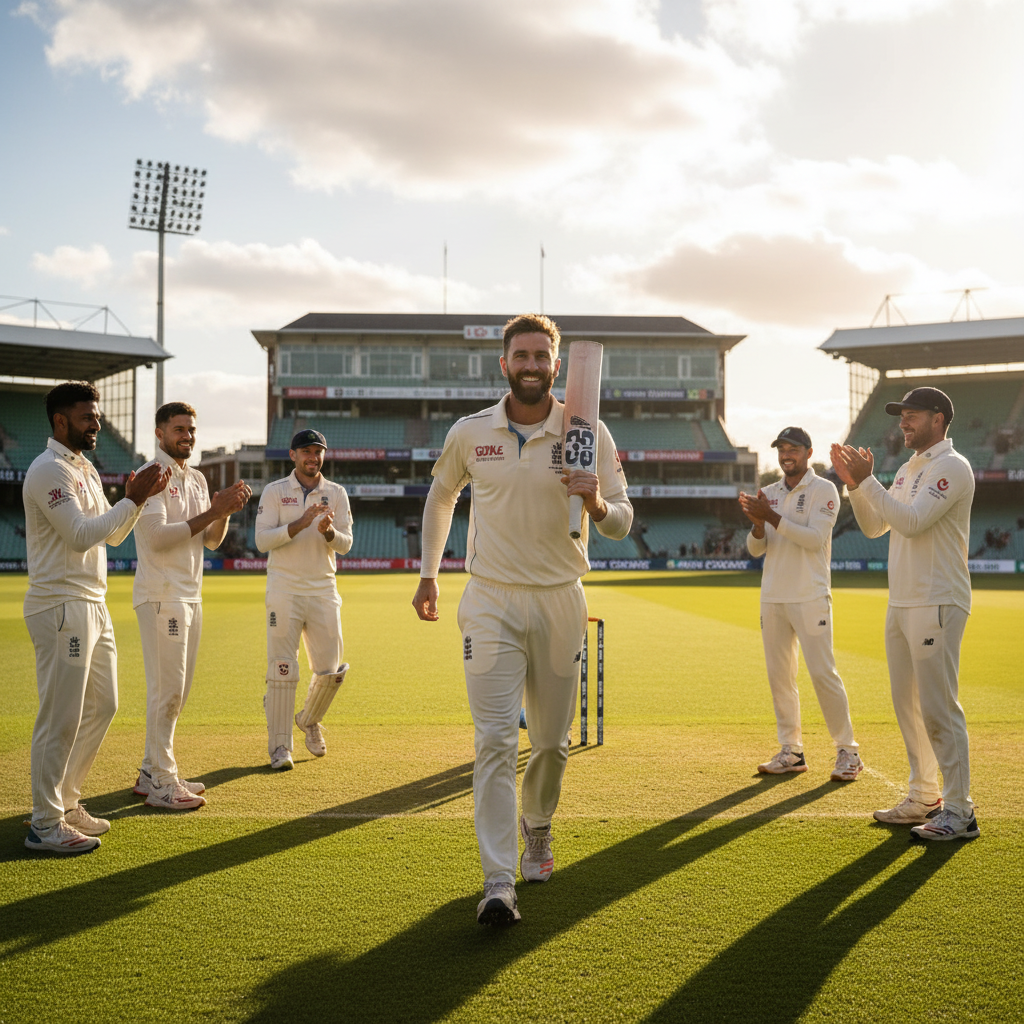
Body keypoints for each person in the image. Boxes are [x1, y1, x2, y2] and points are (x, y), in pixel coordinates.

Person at [411, 313, 633, 927]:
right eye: (522, 356)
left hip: (562, 596)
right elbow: (441, 496)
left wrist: (593, 500)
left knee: (553, 744)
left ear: (557, 366)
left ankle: (538, 826)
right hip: (490, 599)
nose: (532, 365)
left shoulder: (587, 429)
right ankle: (497, 880)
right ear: (504, 364)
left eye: (542, 356)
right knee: (494, 740)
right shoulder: (471, 431)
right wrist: (430, 571)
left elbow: (622, 519)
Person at [22, 381, 169, 853]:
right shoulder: (48, 471)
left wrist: (137, 500)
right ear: (61, 421)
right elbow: (81, 535)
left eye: (97, 415)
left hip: (92, 602)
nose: (97, 423)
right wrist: (131, 500)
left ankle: (66, 801)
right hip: (61, 603)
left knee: (103, 706)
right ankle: (44, 823)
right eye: (88, 417)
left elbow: (113, 537)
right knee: (59, 716)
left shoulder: (81, 467)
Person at [831, 387, 978, 840]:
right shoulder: (909, 468)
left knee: (938, 706)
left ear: (938, 419)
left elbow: (913, 522)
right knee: (908, 706)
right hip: (903, 601)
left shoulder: (951, 467)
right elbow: (876, 526)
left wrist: (868, 481)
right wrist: (856, 485)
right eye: (901, 416)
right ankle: (923, 795)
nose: (903, 423)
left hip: (937, 599)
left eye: (912, 415)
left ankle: (960, 811)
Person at [131, 402, 251, 810]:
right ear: (160, 433)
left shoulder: (197, 478)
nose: (187, 435)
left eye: (191, 429)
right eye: (178, 428)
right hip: (162, 595)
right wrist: (214, 511)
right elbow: (157, 538)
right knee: (166, 692)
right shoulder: (153, 476)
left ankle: (151, 770)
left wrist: (225, 513)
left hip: (190, 594)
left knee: (177, 693)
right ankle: (164, 782)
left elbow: (212, 541)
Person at [739, 427, 863, 781]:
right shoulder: (770, 493)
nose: (786, 455)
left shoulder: (825, 490)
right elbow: (755, 549)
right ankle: (791, 751)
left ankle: (848, 752)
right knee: (780, 678)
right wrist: (759, 525)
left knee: (823, 674)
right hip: (773, 596)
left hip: (810, 595)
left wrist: (772, 517)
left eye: (793, 449)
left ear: (808, 453)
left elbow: (814, 539)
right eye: (781, 449)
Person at [255, 429, 354, 771]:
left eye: (318, 452)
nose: (313, 457)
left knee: (331, 670)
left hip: (323, 588)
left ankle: (309, 718)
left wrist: (329, 532)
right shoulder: (275, 491)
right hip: (284, 590)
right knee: (283, 670)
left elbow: (346, 544)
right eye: (306, 452)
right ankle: (281, 748)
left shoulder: (336, 493)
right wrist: (298, 525)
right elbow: (262, 541)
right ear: (293, 455)